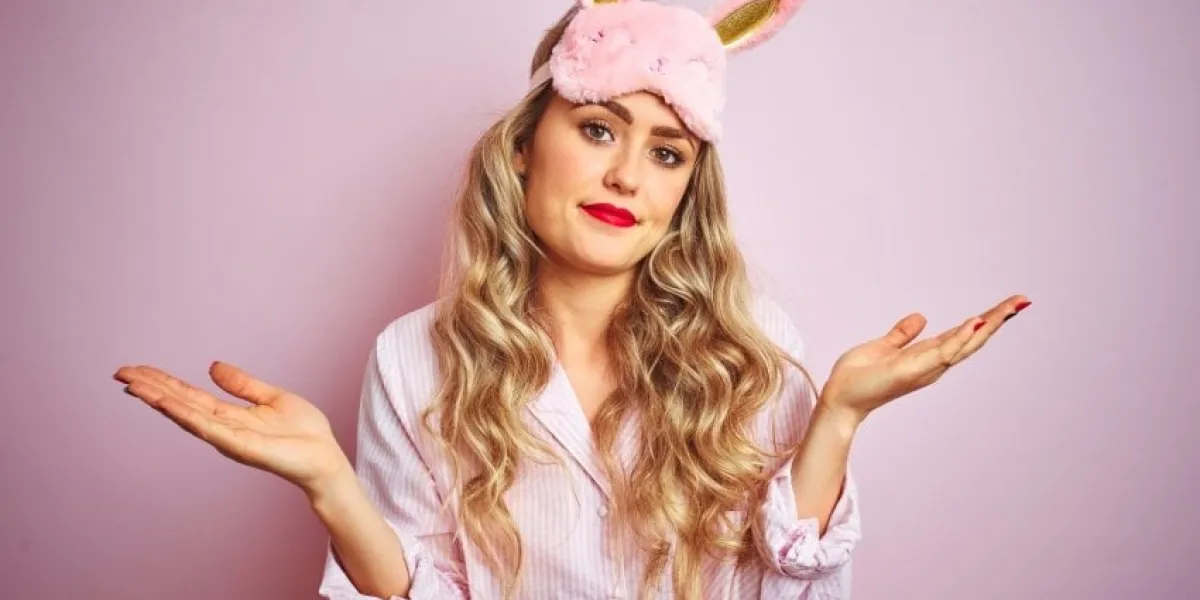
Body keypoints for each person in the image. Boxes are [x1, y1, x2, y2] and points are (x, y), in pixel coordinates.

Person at [114, 1, 1031, 598]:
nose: (627, 174)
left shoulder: (753, 347)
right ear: (525, 148)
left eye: (666, 152)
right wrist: (333, 488)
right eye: (598, 128)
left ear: (685, 195)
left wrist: (835, 422)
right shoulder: (411, 358)